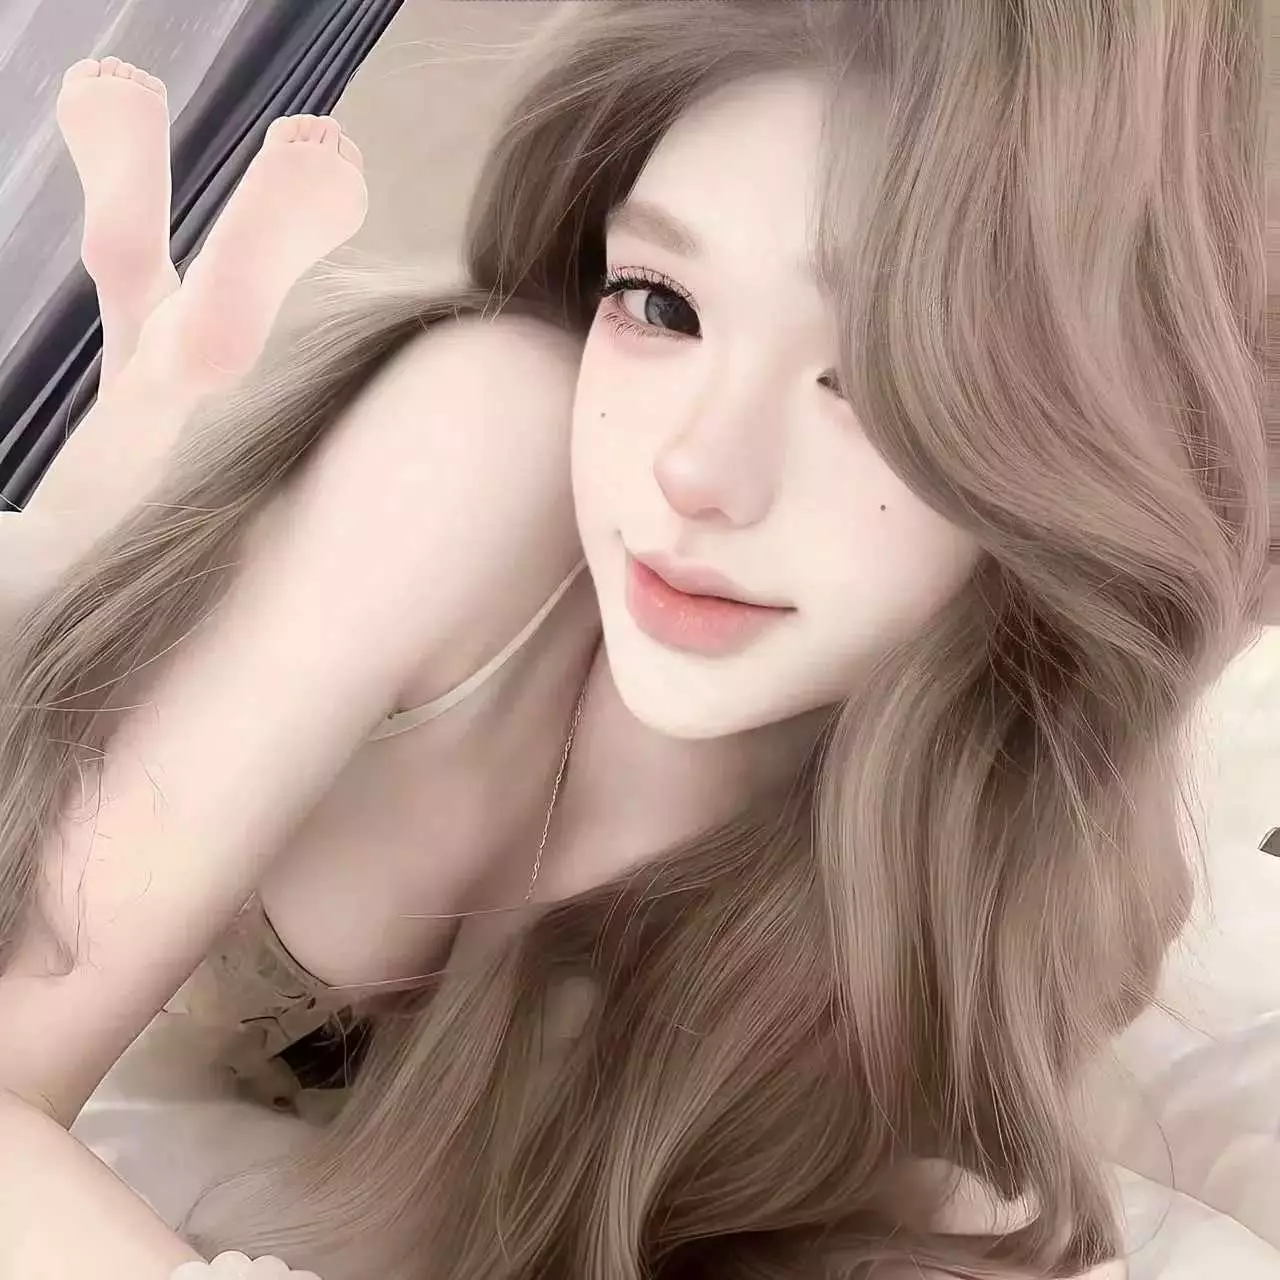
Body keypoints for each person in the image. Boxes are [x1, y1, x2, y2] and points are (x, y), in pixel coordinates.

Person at [0, 1, 1267, 1277]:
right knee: (97, 530)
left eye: (875, 378)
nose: (692, 471)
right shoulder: (479, 454)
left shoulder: (976, 890)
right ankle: (159, 388)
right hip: (157, 660)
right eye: (658, 302)